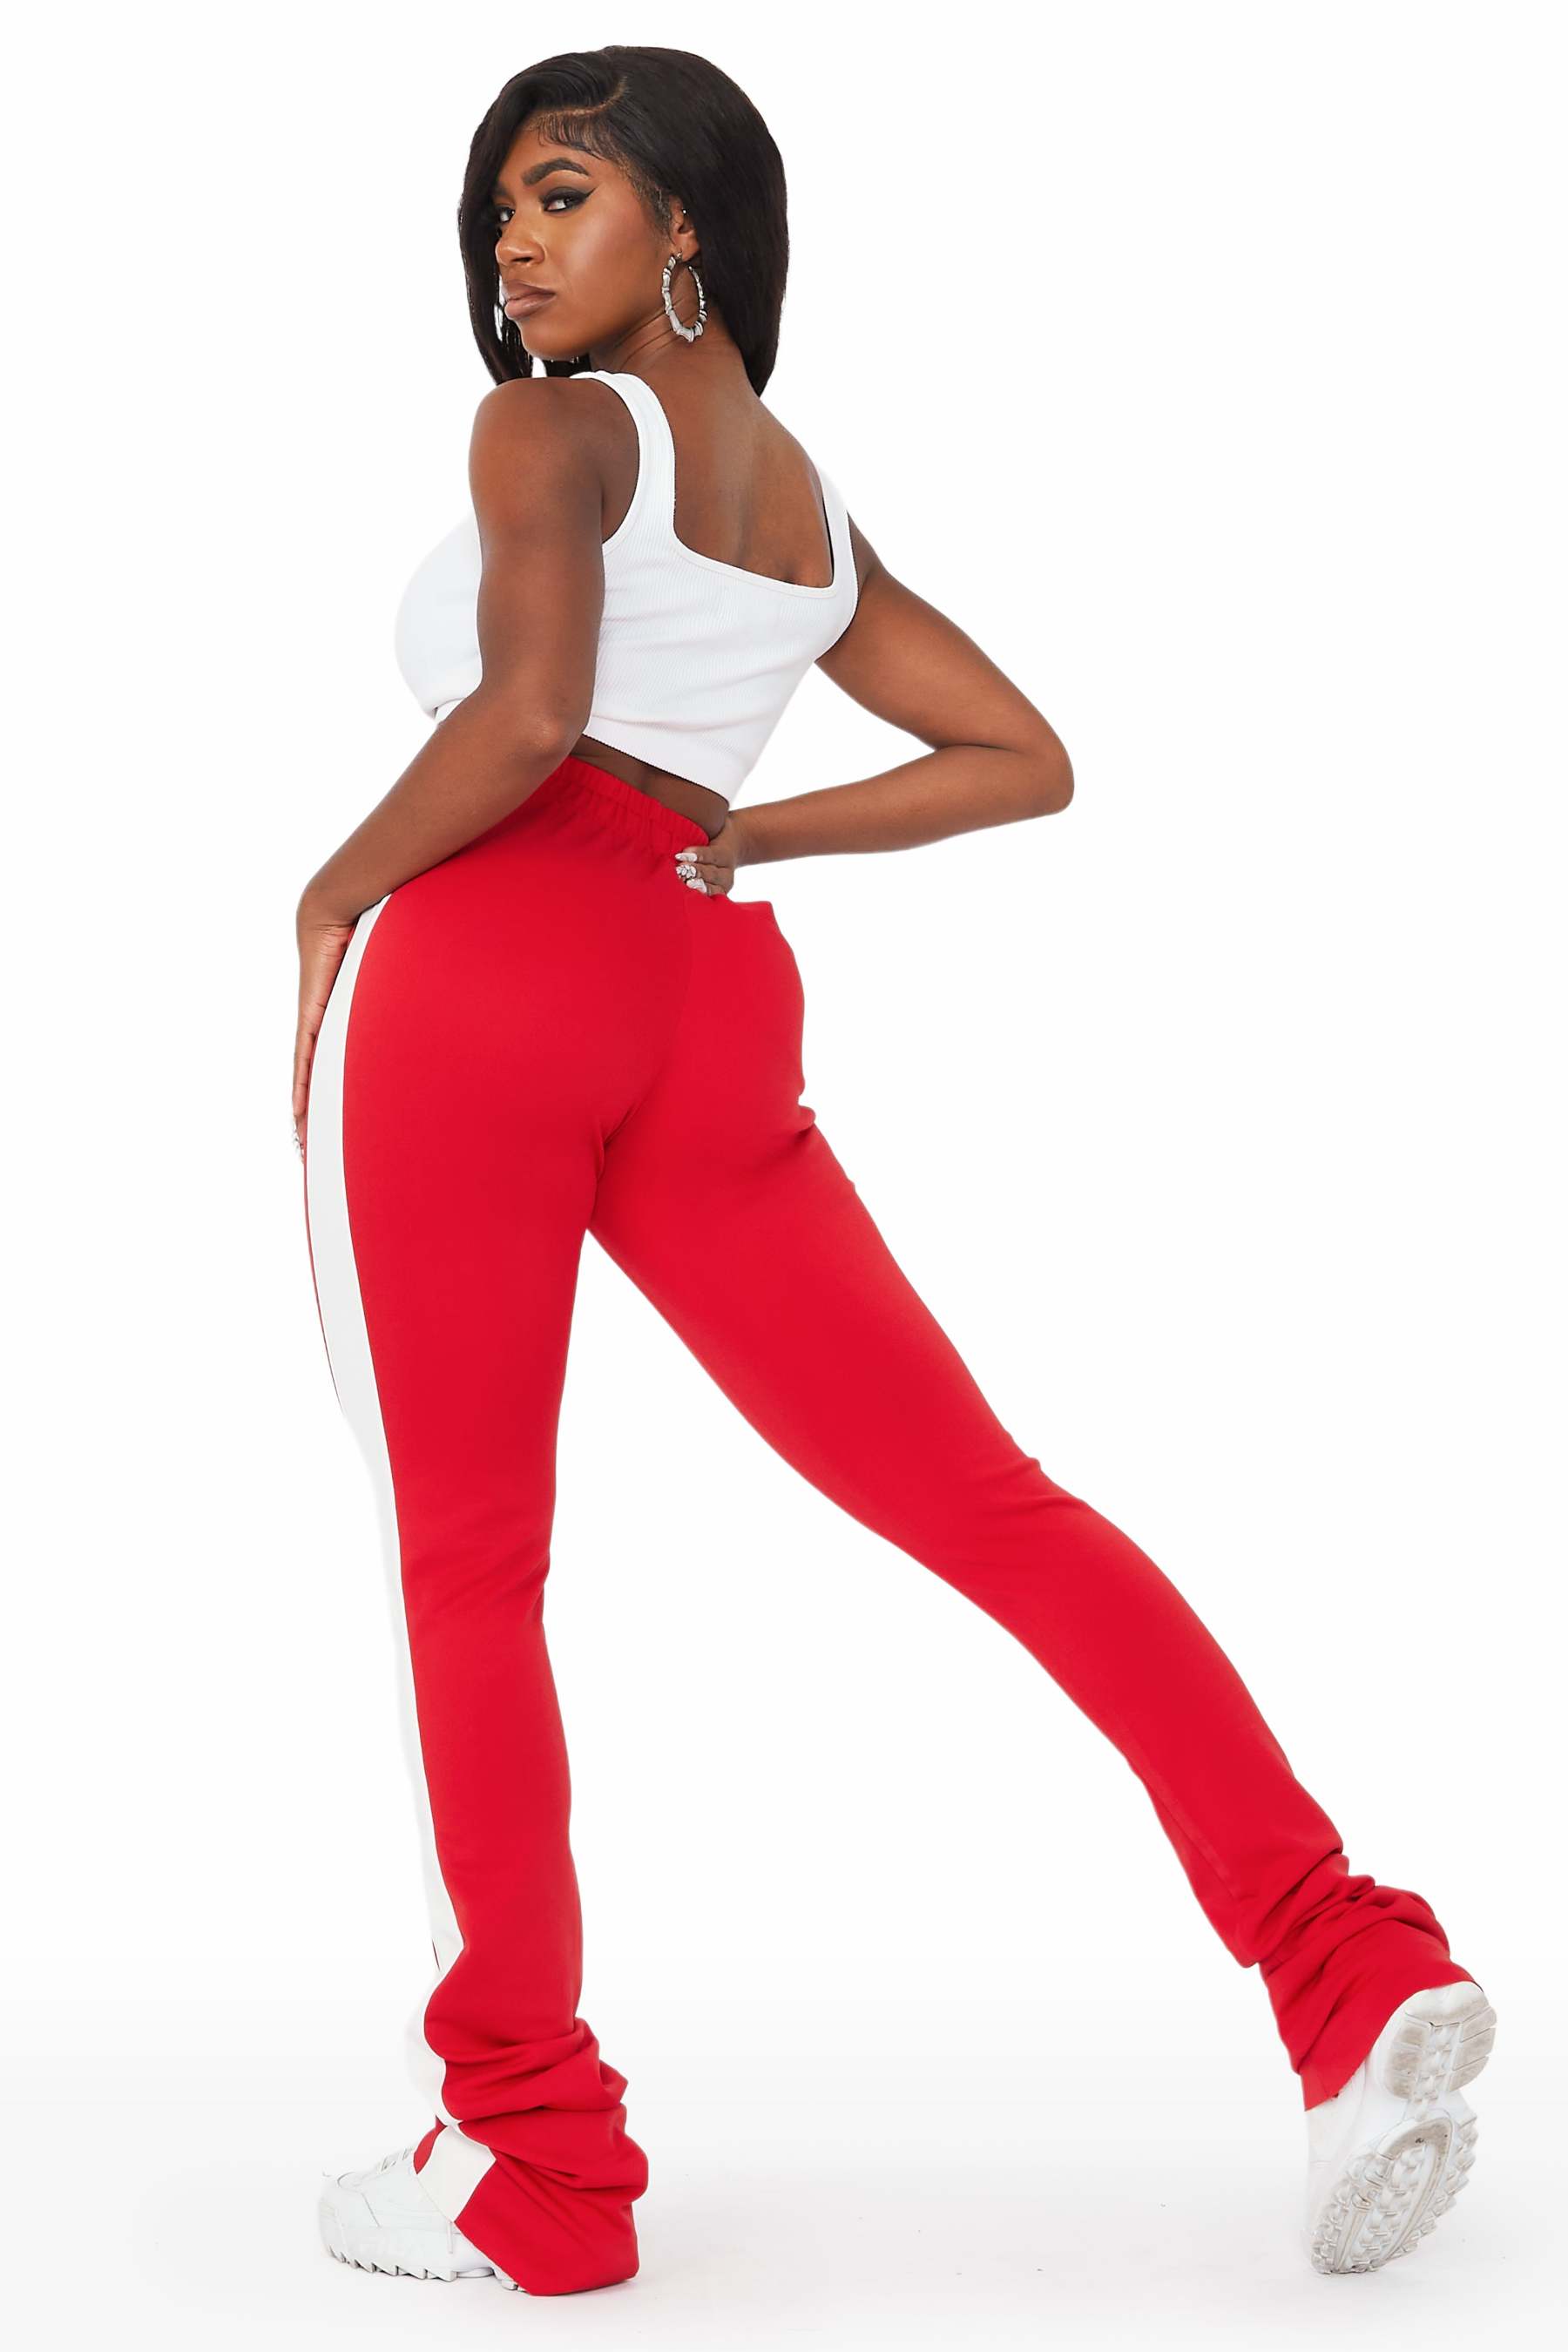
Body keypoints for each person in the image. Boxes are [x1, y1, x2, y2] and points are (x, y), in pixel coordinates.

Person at [294, 46, 1494, 2299]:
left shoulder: (551, 433)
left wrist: (330, 894)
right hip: (705, 993)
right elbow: (1018, 753)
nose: (515, 246)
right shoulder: (807, 507)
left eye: (562, 195)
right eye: (499, 212)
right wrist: (745, 831)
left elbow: (529, 716)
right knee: (986, 1497)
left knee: (468, 1563)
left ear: (687, 227)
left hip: (485, 985)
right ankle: (1345, 1962)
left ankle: (528, 2157)